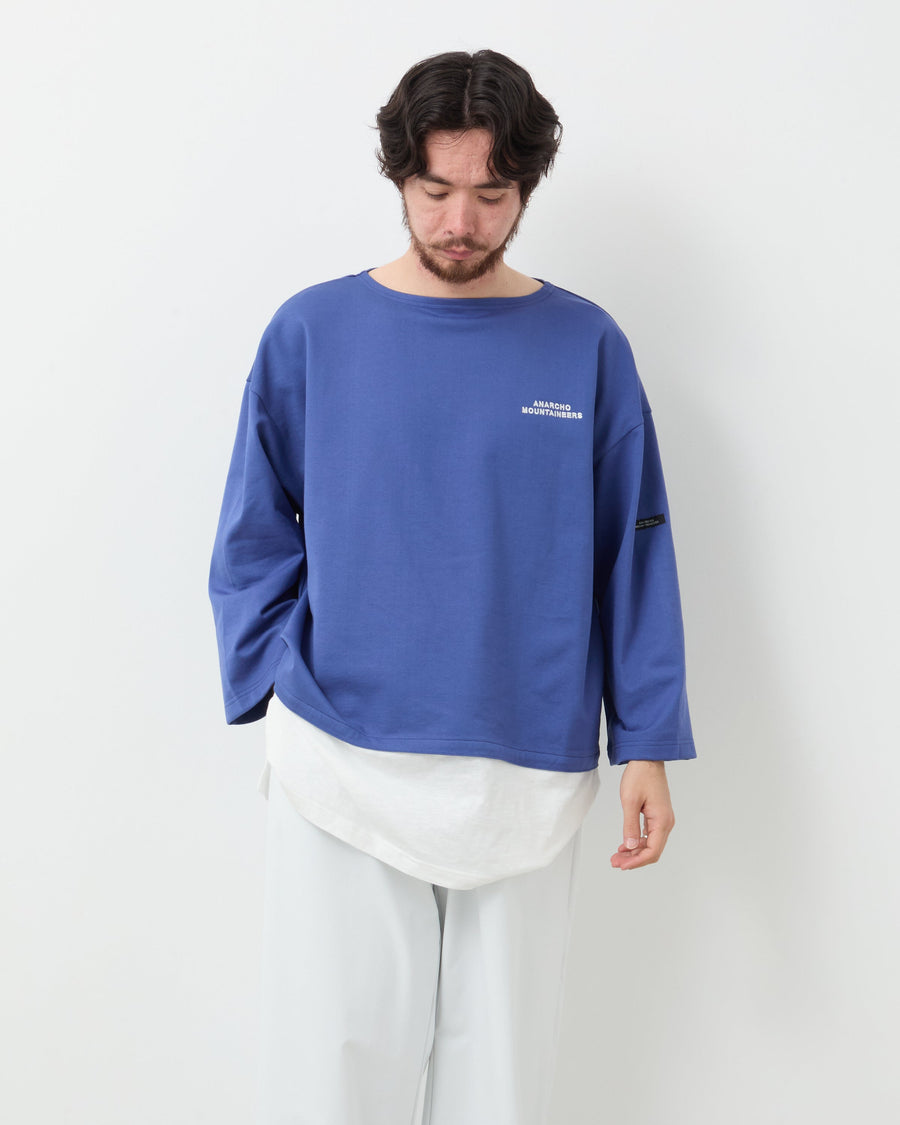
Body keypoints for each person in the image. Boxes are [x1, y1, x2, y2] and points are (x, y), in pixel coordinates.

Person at [208, 48, 696, 1125]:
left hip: (528, 753)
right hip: (342, 753)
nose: (462, 223)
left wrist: (647, 739)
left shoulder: (585, 346)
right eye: (436, 192)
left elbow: (634, 546)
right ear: (399, 175)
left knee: (503, 1087)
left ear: (527, 188)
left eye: (492, 194)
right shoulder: (312, 332)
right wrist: (278, 684)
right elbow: (252, 532)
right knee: (332, 1077)